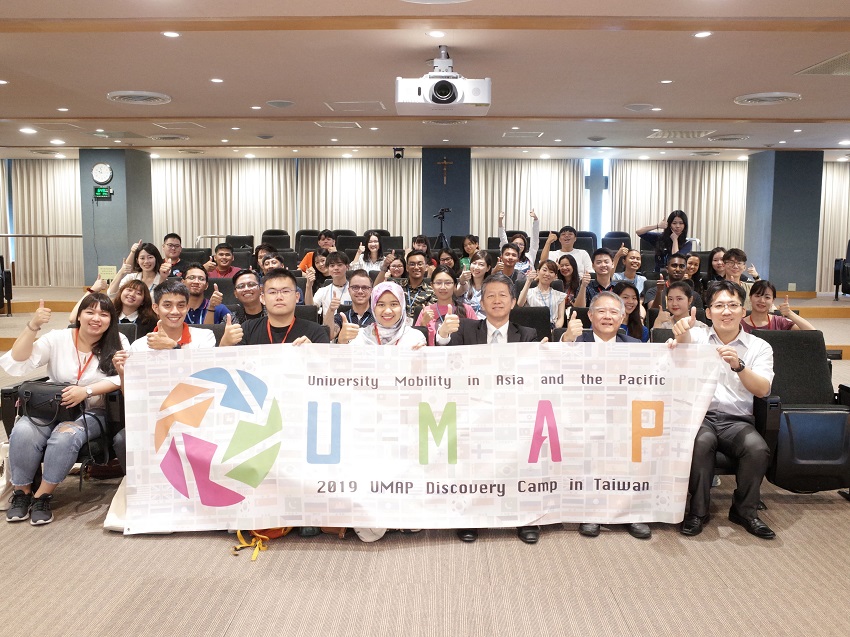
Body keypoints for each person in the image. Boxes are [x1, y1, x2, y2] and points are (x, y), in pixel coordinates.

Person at [435, 273, 541, 545]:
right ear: (481, 302)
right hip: (473, 411)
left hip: (514, 411)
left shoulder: (528, 334)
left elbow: (534, 377)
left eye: (502, 295)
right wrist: (443, 335)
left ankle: (524, 519)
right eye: (490, 295)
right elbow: (445, 360)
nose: (496, 300)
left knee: (522, 462)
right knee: (471, 464)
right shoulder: (465, 330)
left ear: (513, 301)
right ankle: (471, 517)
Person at [2, 294, 127, 525]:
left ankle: (43, 496)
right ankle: (22, 493)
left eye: (104, 314)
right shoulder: (58, 338)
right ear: (79, 315)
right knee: (22, 432)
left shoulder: (118, 341)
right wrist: (33, 325)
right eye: (90, 312)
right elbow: (18, 359)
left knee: (63, 437)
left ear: (111, 319)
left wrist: (86, 391)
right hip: (51, 408)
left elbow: (121, 380)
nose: (96, 318)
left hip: (92, 410)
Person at [672, 280, 776, 539]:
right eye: (719, 305)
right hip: (700, 416)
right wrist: (681, 331)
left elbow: (763, 390)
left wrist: (740, 366)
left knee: (757, 449)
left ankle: (745, 510)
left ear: (744, 310)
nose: (726, 311)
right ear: (708, 312)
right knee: (701, 442)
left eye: (733, 305)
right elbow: (682, 342)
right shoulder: (697, 336)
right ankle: (697, 512)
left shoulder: (759, 347)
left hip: (737, 421)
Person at [336, 281, 425, 541]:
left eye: (394, 304)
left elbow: (427, 383)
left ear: (403, 306)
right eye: (382, 305)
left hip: (405, 416)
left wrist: (425, 362)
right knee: (369, 530)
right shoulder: (359, 338)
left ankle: (402, 513)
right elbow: (343, 374)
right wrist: (341, 344)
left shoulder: (415, 337)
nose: (388, 311)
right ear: (373, 307)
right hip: (368, 416)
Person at [560, 291, 652, 540]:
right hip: (582, 415)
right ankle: (592, 511)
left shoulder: (635, 346)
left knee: (637, 443)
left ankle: (633, 512)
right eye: (601, 311)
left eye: (614, 312)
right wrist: (566, 339)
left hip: (623, 416)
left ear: (623, 317)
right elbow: (556, 368)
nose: (608, 317)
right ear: (590, 315)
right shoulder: (577, 341)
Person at [112, 280, 219, 473]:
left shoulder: (205, 337)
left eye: (180, 305)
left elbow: (205, 379)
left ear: (187, 307)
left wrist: (173, 348)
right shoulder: (139, 346)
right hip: (155, 416)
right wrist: (122, 374)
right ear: (155, 308)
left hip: (196, 413)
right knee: (122, 439)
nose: (174, 312)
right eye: (167, 305)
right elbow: (132, 397)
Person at [222, 268, 331, 346]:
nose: (279, 297)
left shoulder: (315, 331)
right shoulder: (247, 329)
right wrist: (225, 344)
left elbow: (326, 372)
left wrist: (314, 353)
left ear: (297, 297)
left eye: (285, 291)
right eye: (272, 292)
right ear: (262, 298)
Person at [416, 265, 477, 346]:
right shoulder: (426, 311)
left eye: (448, 283)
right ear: (432, 286)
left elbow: (477, 335)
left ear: (455, 285)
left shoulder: (466, 309)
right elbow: (416, 340)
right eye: (438, 283)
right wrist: (423, 323)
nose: (443, 287)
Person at [376, 249, 437, 323]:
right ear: (407, 268)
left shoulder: (431, 292)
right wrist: (385, 266)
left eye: (420, 264)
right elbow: (375, 290)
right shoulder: (396, 285)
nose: (416, 267)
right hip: (396, 327)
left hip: (419, 328)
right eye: (412, 264)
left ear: (426, 267)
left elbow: (429, 316)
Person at [741, 280, 815, 333]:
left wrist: (790, 313)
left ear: (773, 300)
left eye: (767, 297)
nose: (762, 301)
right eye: (757, 296)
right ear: (750, 297)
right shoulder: (739, 324)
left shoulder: (779, 322)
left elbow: (813, 333)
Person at [519, 260, 566, 330]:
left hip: (552, 329)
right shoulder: (528, 292)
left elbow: (560, 318)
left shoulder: (560, 296)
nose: (547, 274)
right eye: (544, 270)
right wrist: (528, 281)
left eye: (551, 272)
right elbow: (520, 304)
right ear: (538, 271)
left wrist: (555, 330)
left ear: (555, 276)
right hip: (532, 329)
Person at [331, 269, 375, 341]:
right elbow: (330, 335)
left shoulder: (379, 318)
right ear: (349, 290)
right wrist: (331, 310)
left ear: (371, 291)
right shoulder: (341, 317)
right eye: (355, 287)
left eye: (365, 287)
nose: (360, 291)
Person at [307, 250, 351, 320]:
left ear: (347, 266)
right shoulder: (322, 290)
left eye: (339, 265)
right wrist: (308, 286)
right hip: (328, 328)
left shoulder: (355, 289)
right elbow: (310, 308)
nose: (336, 268)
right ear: (328, 268)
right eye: (332, 265)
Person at [498, 209, 540, 273]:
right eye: (516, 243)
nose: (518, 246)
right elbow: (503, 238)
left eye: (521, 244)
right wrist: (500, 221)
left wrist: (536, 220)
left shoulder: (530, 256)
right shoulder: (507, 256)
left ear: (524, 247)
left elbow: (535, 239)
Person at [462, 250, 493, 318]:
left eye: (481, 264)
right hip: (467, 323)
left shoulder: (492, 287)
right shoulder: (464, 284)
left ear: (488, 268)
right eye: (474, 263)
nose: (476, 267)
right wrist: (462, 281)